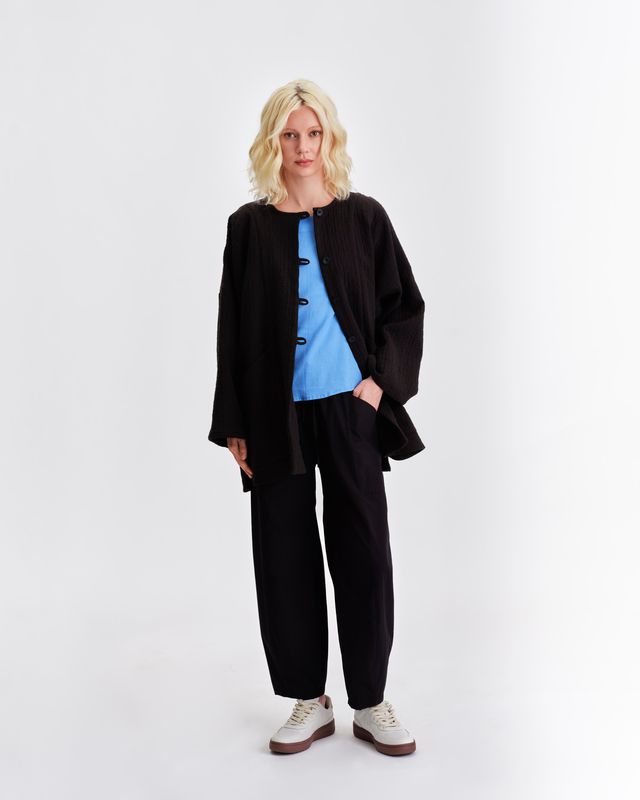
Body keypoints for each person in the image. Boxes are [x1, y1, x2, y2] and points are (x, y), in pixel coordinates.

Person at [208, 79, 426, 756]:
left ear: (329, 138)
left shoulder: (365, 218)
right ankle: (309, 698)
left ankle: (371, 700)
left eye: (313, 133)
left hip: (350, 411)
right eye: (289, 135)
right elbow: (232, 329)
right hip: (275, 414)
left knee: (363, 550)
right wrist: (235, 421)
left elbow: (404, 308)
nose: (303, 147)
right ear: (272, 142)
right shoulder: (248, 228)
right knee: (283, 553)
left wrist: (379, 386)